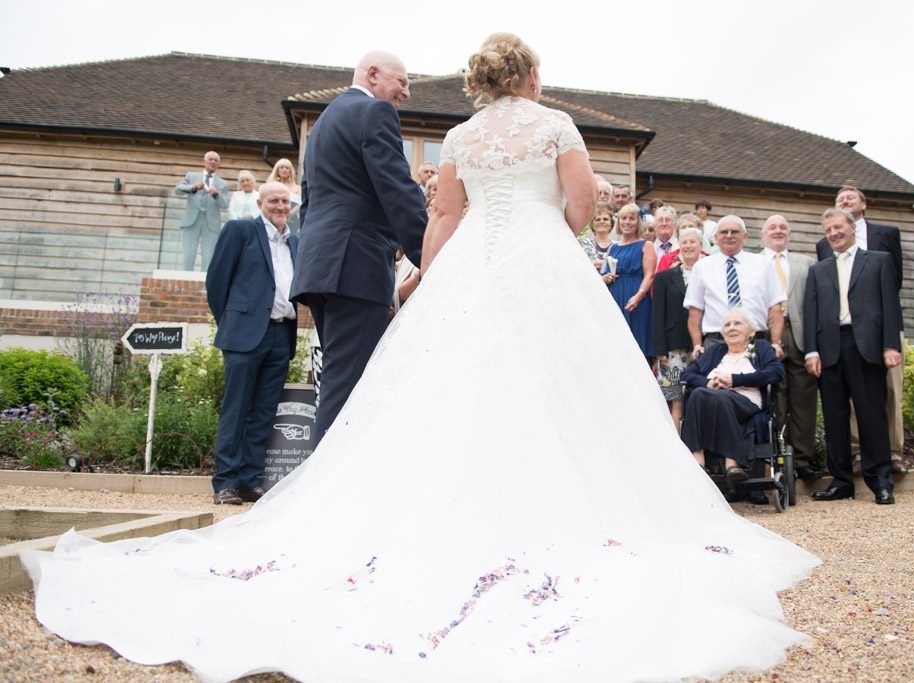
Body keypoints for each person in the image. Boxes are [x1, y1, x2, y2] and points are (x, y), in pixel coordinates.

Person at [23, 33, 818, 683]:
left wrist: (436, 282)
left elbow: (441, 216)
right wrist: (556, 236)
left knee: (439, 387)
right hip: (540, 259)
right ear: (532, 76)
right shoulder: (554, 125)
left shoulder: (461, 136)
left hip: (472, 263)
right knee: (565, 385)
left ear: (477, 80)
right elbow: (579, 203)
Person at [291, 50, 428, 447]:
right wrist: (433, 259)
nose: (405, 93)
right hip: (355, 267)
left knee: (338, 379)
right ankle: (320, 498)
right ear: (372, 75)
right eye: (401, 82)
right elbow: (398, 190)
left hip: (321, 268)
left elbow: (309, 201)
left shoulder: (325, 123)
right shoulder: (375, 114)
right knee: (348, 390)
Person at [204, 182, 299, 505]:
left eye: (285, 201)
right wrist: (232, 323)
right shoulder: (240, 231)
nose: (280, 206)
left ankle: (249, 479)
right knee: (237, 408)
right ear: (259, 203)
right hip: (245, 334)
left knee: (263, 413)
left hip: (281, 334)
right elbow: (217, 282)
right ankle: (226, 482)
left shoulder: (295, 242)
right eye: (274, 200)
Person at [805, 208, 902, 505]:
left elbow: (890, 305)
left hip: (866, 345)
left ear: (852, 228)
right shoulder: (818, 270)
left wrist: (890, 345)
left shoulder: (879, 261)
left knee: (871, 415)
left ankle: (880, 481)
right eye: (828, 231)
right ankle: (842, 481)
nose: (833, 234)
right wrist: (811, 350)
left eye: (837, 228)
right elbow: (811, 312)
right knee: (834, 418)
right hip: (830, 347)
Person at [681, 307, 784, 479]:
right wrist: (708, 383)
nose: (731, 328)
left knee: (723, 396)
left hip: (746, 402)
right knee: (698, 394)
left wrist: (735, 380)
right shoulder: (716, 351)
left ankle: (733, 461)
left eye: (737, 323)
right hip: (713, 399)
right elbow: (687, 374)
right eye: (727, 325)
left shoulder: (761, 348)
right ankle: (697, 459)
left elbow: (776, 372)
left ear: (751, 331)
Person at [760, 214, 821, 482]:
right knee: (774, 400)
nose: (778, 231)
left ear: (790, 233)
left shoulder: (807, 264)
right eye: (772, 227)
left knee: (804, 400)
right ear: (763, 235)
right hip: (766, 335)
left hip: (799, 336)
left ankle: (802, 460)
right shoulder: (754, 263)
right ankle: (774, 459)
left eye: (783, 227)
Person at [684, 215, 785, 358]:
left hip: (756, 341)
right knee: (716, 381)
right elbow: (695, 311)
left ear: (745, 236)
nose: (729, 236)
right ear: (716, 237)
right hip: (715, 342)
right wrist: (697, 345)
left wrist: (775, 343)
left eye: (735, 232)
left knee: (756, 381)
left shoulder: (764, 265)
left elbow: (775, 308)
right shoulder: (702, 267)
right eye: (724, 232)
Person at [651, 226, 702, 432]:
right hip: (673, 347)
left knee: (698, 398)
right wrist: (659, 349)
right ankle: (675, 445)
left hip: (703, 344)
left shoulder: (709, 273)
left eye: (693, 242)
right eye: (685, 242)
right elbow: (657, 314)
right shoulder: (665, 277)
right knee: (674, 399)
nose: (689, 246)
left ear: (701, 246)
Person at [601, 202, 655, 357]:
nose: (627, 222)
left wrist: (638, 296)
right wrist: (605, 278)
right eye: (623, 218)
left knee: (636, 342)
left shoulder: (646, 245)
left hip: (636, 297)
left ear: (638, 222)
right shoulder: (613, 248)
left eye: (632, 219)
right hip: (615, 296)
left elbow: (650, 275)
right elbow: (604, 271)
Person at [174, 150, 228, 270]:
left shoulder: (223, 184)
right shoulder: (191, 176)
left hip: (211, 224)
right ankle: (185, 281)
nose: (213, 162)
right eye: (210, 159)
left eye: (216, 160)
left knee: (208, 256)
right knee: (188, 254)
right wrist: (192, 187)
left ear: (218, 164)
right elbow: (177, 190)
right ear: (204, 162)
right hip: (191, 221)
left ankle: (205, 283)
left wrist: (216, 194)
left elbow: (225, 205)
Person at [268, 158, 302, 234]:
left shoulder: (298, 188)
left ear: (290, 171)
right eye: (282, 167)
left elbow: (301, 204)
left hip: (294, 221)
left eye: (287, 168)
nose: (284, 170)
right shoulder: (272, 186)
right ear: (277, 170)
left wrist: (290, 213)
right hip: (275, 219)